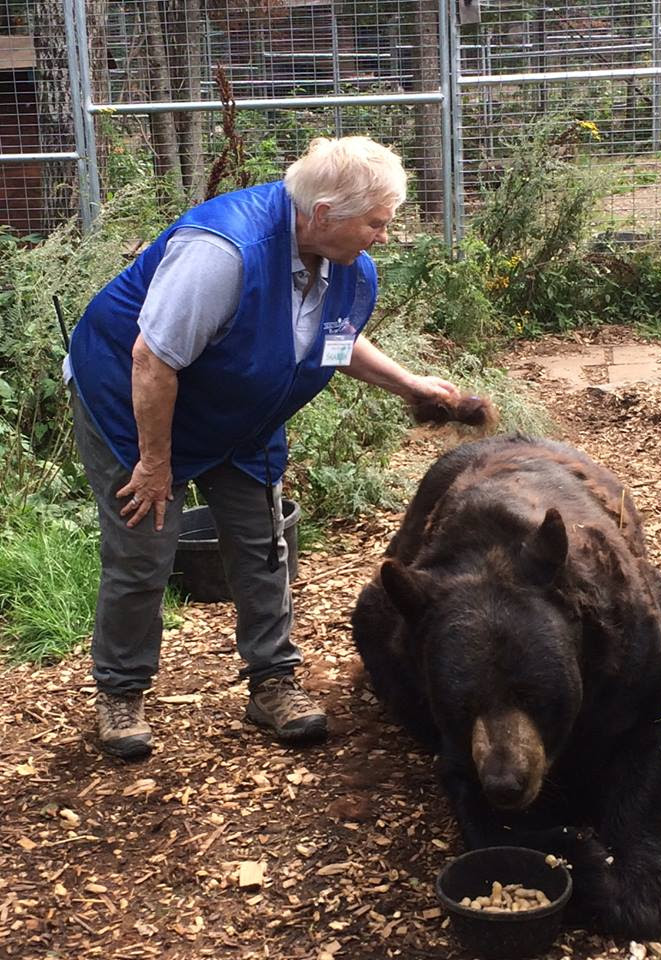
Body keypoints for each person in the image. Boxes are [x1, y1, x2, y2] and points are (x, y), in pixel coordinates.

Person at [66, 135, 462, 760]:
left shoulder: (346, 265)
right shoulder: (224, 253)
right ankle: (121, 690)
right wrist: (156, 464)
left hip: (240, 414)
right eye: (376, 222)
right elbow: (151, 359)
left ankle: (272, 682)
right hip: (133, 400)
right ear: (325, 213)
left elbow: (333, 339)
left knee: (263, 545)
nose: (384, 235)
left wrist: (409, 384)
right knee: (144, 548)